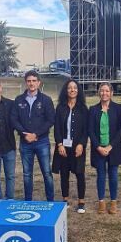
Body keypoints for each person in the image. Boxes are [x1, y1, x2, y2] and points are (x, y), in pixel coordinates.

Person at [10, 70, 55, 201]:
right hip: (25, 142)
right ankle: (28, 201)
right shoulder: (19, 100)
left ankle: (50, 201)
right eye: (29, 81)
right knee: (27, 174)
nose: (31, 83)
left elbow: (50, 120)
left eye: (34, 81)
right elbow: (14, 120)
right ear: (26, 82)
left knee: (47, 173)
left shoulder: (46, 100)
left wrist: (36, 134)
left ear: (39, 82)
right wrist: (24, 134)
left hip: (42, 142)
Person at [52, 79, 88, 213]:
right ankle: (65, 199)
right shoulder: (60, 107)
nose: (72, 90)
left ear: (78, 90)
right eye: (69, 88)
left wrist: (81, 144)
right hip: (63, 147)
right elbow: (56, 128)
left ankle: (81, 202)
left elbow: (86, 130)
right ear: (65, 91)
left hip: (78, 147)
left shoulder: (83, 109)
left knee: (80, 174)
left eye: (75, 88)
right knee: (64, 174)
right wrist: (59, 144)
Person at [89, 82, 121, 215]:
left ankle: (114, 202)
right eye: (102, 91)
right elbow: (90, 130)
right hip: (98, 149)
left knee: (113, 175)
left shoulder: (118, 108)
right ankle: (102, 202)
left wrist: (110, 146)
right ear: (99, 92)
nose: (104, 93)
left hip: (113, 148)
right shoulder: (93, 109)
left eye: (107, 91)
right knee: (101, 175)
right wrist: (98, 146)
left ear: (111, 93)